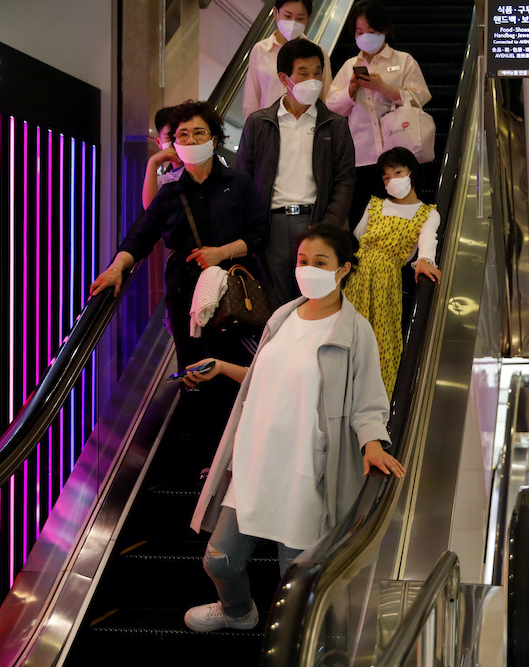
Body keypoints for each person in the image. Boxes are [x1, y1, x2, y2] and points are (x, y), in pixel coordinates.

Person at [182, 224, 406, 632]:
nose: (307, 269)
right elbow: (267, 376)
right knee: (219, 558)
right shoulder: (283, 316)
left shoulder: (356, 333)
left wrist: (372, 441)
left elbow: (368, 401)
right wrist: (221, 367)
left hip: (306, 471)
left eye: (320, 262)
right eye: (303, 261)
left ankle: (295, 642)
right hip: (255, 462)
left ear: (344, 270)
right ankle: (238, 612)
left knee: (296, 577)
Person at [91, 100, 268, 375]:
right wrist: (116, 269)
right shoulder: (170, 193)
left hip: (232, 291)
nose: (191, 138)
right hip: (183, 293)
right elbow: (139, 238)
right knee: (192, 372)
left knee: (230, 371)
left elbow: (260, 232)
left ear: (214, 138)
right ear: (175, 143)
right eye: (183, 134)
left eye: (199, 132)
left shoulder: (237, 183)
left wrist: (222, 252)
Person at [237, 38, 356, 310]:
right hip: (272, 225)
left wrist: (328, 226)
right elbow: (243, 177)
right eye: (303, 73)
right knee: (275, 306)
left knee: (316, 303)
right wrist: (252, 227)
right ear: (284, 78)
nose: (313, 80)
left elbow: (345, 180)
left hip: (316, 222)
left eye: (317, 72)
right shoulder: (259, 123)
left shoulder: (335, 125)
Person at [343, 147, 439, 398]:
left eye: (398, 172)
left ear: (411, 172)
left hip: (386, 281)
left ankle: (374, 405)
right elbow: (356, 239)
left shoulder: (427, 213)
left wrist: (424, 260)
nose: (391, 180)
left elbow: (428, 241)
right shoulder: (375, 204)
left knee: (381, 339)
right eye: (386, 177)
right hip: (356, 275)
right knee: (347, 333)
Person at [325, 0, 431, 224]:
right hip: (361, 156)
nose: (365, 37)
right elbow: (332, 105)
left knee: (400, 221)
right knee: (363, 220)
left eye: (371, 31)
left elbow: (421, 97)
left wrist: (384, 88)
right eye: (359, 31)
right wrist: (351, 88)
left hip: (398, 155)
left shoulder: (404, 61)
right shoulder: (349, 66)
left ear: (384, 29)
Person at [241, 0, 333, 119]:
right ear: (276, 13)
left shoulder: (318, 54)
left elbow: (326, 97)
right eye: (288, 16)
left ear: (308, 17)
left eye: (300, 18)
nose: (293, 23)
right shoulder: (261, 50)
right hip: (268, 127)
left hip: (305, 127)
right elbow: (251, 100)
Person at [141, 106, 184, 209]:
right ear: (158, 142)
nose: (176, 141)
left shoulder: (206, 166)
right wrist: (153, 162)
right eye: (170, 137)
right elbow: (151, 209)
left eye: (181, 134)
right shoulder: (161, 182)